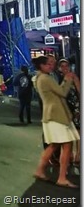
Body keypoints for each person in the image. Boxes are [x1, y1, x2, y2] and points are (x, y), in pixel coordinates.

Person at [31, 55, 79, 188]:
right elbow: (63, 92)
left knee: (53, 145)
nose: (52, 66)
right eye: (49, 64)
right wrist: (68, 79)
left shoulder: (40, 77)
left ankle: (40, 170)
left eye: (53, 63)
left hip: (52, 115)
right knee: (67, 145)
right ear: (42, 65)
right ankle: (62, 178)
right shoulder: (46, 78)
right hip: (57, 116)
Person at [58, 58, 80, 166]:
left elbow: (80, 91)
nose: (64, 68)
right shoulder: (60, 79)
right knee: (69, 133)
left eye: (66, 66)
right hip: (65, 108)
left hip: (76, 107)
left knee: (78, 132)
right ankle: (70, 154)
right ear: (59, 68)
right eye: (62, 66)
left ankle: (78, 155)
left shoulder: (73, 77)